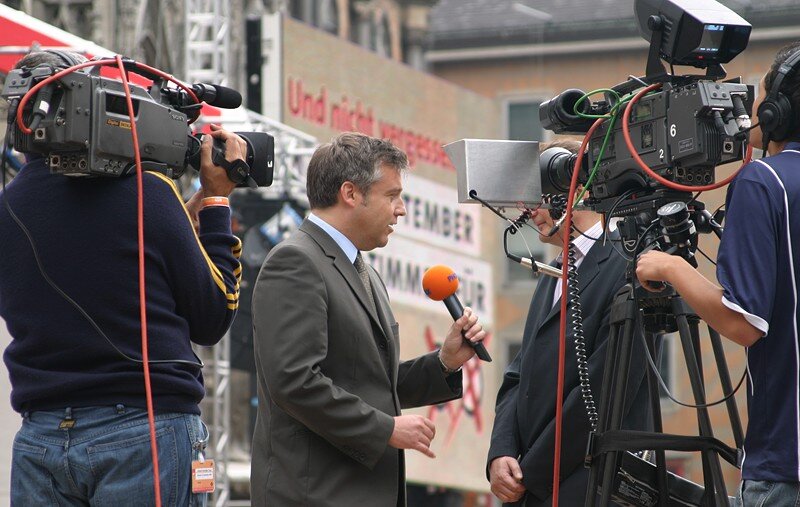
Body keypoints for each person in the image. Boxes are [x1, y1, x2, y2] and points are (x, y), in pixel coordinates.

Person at [0, 50, 245, 506]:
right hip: (144, 433)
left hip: (41, 436)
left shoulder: (9, 206)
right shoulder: (149, 192)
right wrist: (216, 201)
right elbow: (213, 316)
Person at [250, 132, 486, 507]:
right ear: (351, 193)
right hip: (316, 497)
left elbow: (370, 385)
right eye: (392, 196)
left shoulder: (366, 272)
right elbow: (294, 381)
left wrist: (444, 362)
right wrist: (385, 429)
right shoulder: (295, 261)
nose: (401, 210)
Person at [637, 41, 800, 506]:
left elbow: (742, 322)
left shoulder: (765, 181)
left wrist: (669, 266)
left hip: (786, 465)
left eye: (758, 95)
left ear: (776, 111)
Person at [487, 140, 653, 506]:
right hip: (535, 485)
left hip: (586, 484)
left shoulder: (631, 264)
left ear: (579, 190)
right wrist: (501, 451)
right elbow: (519, 375)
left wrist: (532, 473)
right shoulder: (554, 271)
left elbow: (605, 389)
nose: (528, 209)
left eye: (538, 194)